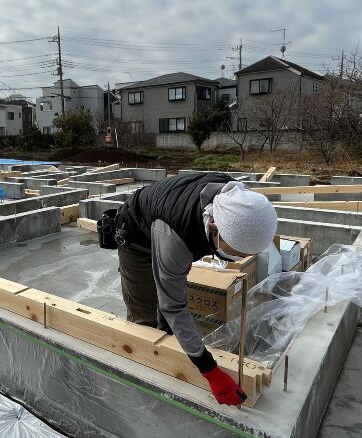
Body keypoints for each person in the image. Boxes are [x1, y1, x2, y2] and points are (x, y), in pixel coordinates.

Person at [105, 173, 278, 406]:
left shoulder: (239, 202)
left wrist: (183, 257)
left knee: (169, 314)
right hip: (137, 236)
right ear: (214, 227)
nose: (241, 258)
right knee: (145, 316)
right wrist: (210, 371)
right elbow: (174, 307)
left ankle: (171, 346)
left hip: (166, 225)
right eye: (237, 252)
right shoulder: (175, 236)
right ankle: (145, 376)